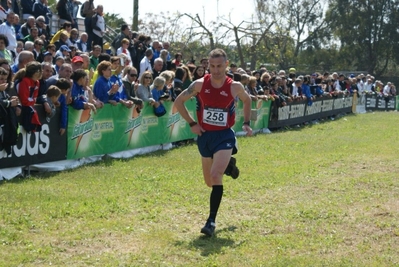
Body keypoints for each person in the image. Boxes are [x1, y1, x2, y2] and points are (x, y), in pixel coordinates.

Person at [174, 48, 252, 237]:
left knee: (216, 176)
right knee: (209, 182)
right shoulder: (200, 84)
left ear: (226, 65)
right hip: (205, 136)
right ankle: (229, 166)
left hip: (224, 135)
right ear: (208, 65)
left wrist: (247, 123)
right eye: (212, 66)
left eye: (219, 66)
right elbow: (178, 101)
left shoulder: (235, 87)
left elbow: (247, 100)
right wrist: (192, 123)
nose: (216, 70)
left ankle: (211, 221)